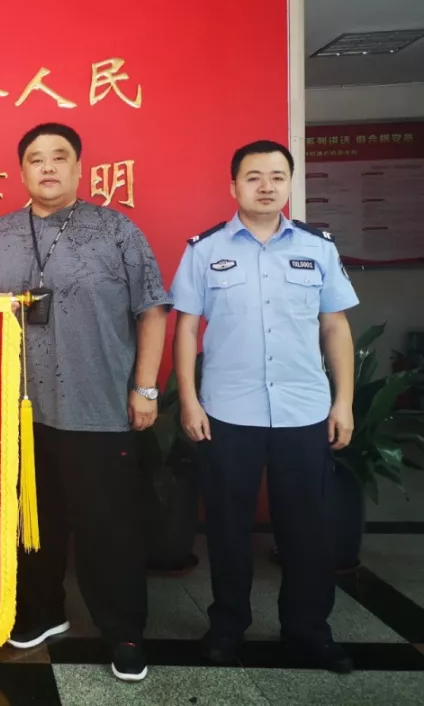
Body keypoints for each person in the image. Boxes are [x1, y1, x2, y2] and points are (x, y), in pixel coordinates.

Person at [0, 122, 170, 682]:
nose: (47, 167)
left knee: (108, 527)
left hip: (96, 405)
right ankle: (41, 613)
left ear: (78, 168)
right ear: (21, 171)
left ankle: (124, 632)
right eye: (35, 159)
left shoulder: (115, 230)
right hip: (18, 409)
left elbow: (152, 309)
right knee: (32, 522)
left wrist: (146, 387)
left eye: (59, 157)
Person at [169, 140, 358, 674]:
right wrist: (189, 400)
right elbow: (186, 329)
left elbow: (335, 327)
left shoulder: (318, 248)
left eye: (277, 176)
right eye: (254, 177)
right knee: (227, 529)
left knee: (309, 530)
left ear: (289, 184)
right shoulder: (204, 250)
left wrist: (343, 402)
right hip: (228, 412)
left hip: (304, 411)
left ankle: (308, 631)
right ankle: (227, 627)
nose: (267, 186)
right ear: (233, 186)